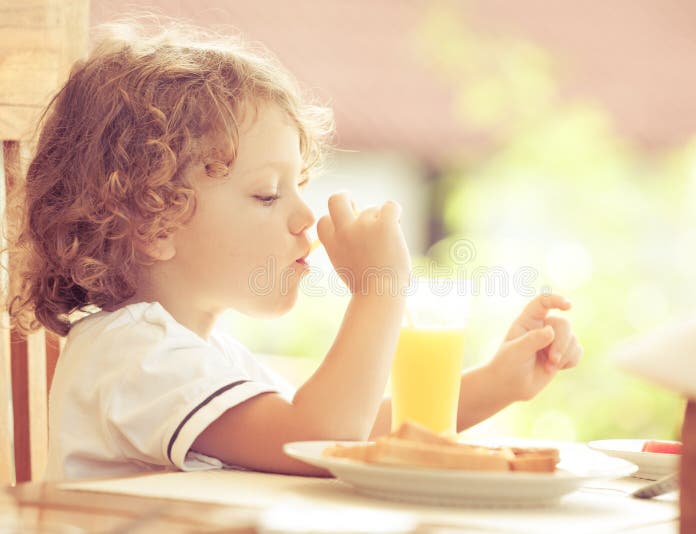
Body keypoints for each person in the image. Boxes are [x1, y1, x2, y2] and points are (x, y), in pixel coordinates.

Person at [5, 17, 582, 481]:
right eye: (265, 194)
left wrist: (493, 384)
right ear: (154, 225)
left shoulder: (203, 355)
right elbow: (321, 437)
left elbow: (348, 434)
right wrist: (378, 292)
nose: (306, 215)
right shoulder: (130, 354)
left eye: (300, 186)